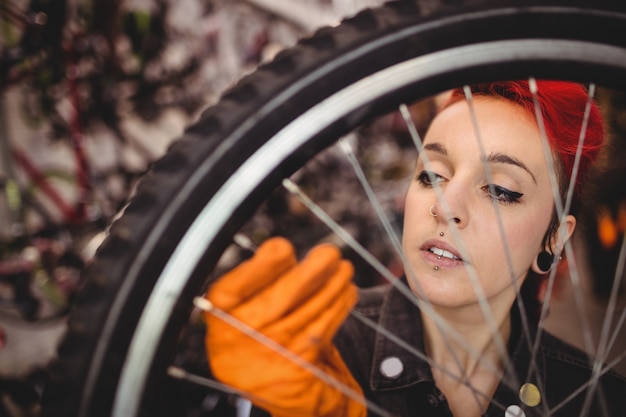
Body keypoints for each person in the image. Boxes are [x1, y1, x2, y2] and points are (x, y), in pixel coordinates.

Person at [201, 80, 626, 417]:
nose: (445, 206)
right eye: (432, 175)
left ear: (554, 238)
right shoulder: (317, 351)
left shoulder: (599, 400)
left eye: (499, 190)